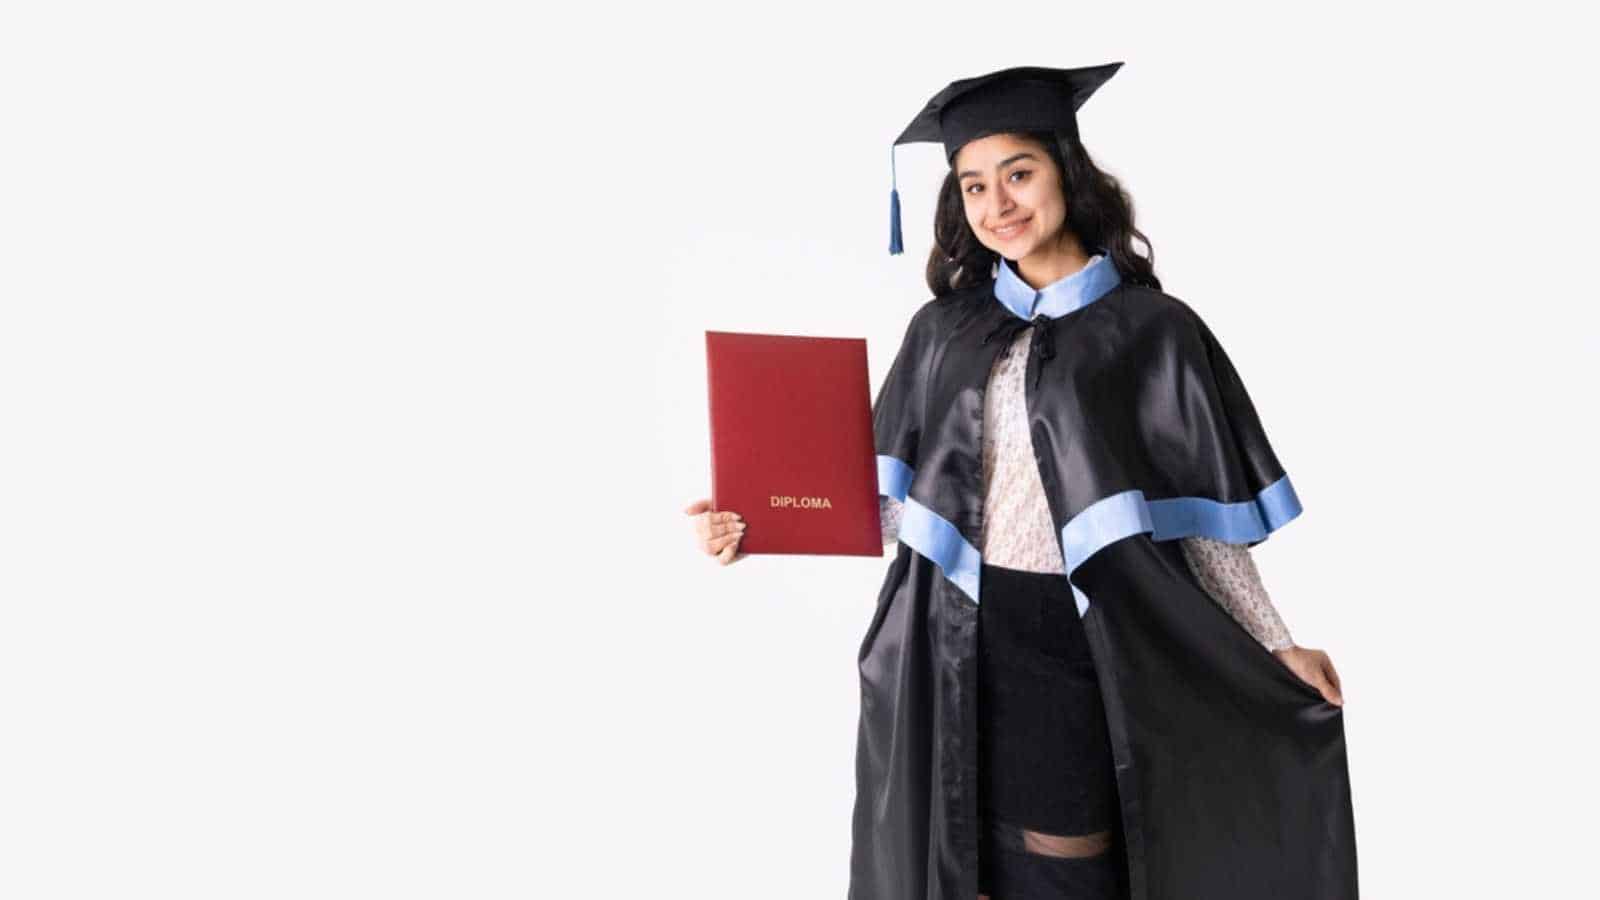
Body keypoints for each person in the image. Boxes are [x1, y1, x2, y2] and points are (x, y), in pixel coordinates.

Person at [686, 63, 1358, 900]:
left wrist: (1273, 641)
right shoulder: (944, 331)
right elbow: (896, 509)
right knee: (965, 861)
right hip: (952, 637)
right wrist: (758, 524)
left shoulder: (1154, 332)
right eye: (973, 185)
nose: (997, 204)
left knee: (1068, 860)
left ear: (1067, 174)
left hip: (1084, 643)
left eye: (1018, 174)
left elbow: (1199, 528)